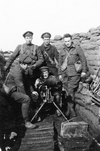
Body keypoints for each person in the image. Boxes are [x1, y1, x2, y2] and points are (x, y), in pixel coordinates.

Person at [3, 55, 38, 129]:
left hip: (16, 89)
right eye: (28, 65)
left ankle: (31, 114)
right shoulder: (17, 72)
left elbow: (27, 82)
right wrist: (29, 97)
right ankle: (26, 121)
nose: (29, 66)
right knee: (26, 99)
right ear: (23, 64)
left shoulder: (21, 69)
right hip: (10, 92)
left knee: (30, 95)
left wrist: (32, 91)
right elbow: (21, 86)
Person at [58, 33, 87, 118]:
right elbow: (60, 63)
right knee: (67, 92)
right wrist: (60, 74)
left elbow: (83, 60)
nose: (67, 43)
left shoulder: (77, 48)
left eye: (68, 41)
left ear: (71, 40)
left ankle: (71, 110)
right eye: (65, 41)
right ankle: (68, 109)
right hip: (65, 74)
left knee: (70, 90)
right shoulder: (62, 50)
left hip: (75, 73)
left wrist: (84, 71)